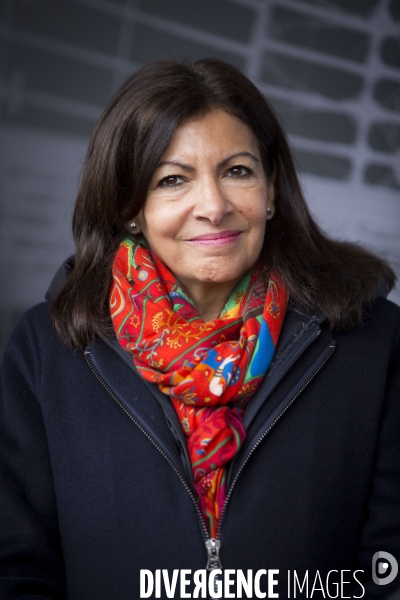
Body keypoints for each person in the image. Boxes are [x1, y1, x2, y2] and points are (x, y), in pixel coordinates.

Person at [1, 58, 399, 600]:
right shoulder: (45, 350)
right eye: (172, 180)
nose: (213, 206)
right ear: (129, 208)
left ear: (272, 188)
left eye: (237, 171)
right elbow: (18, 570)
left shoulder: (375, 341)